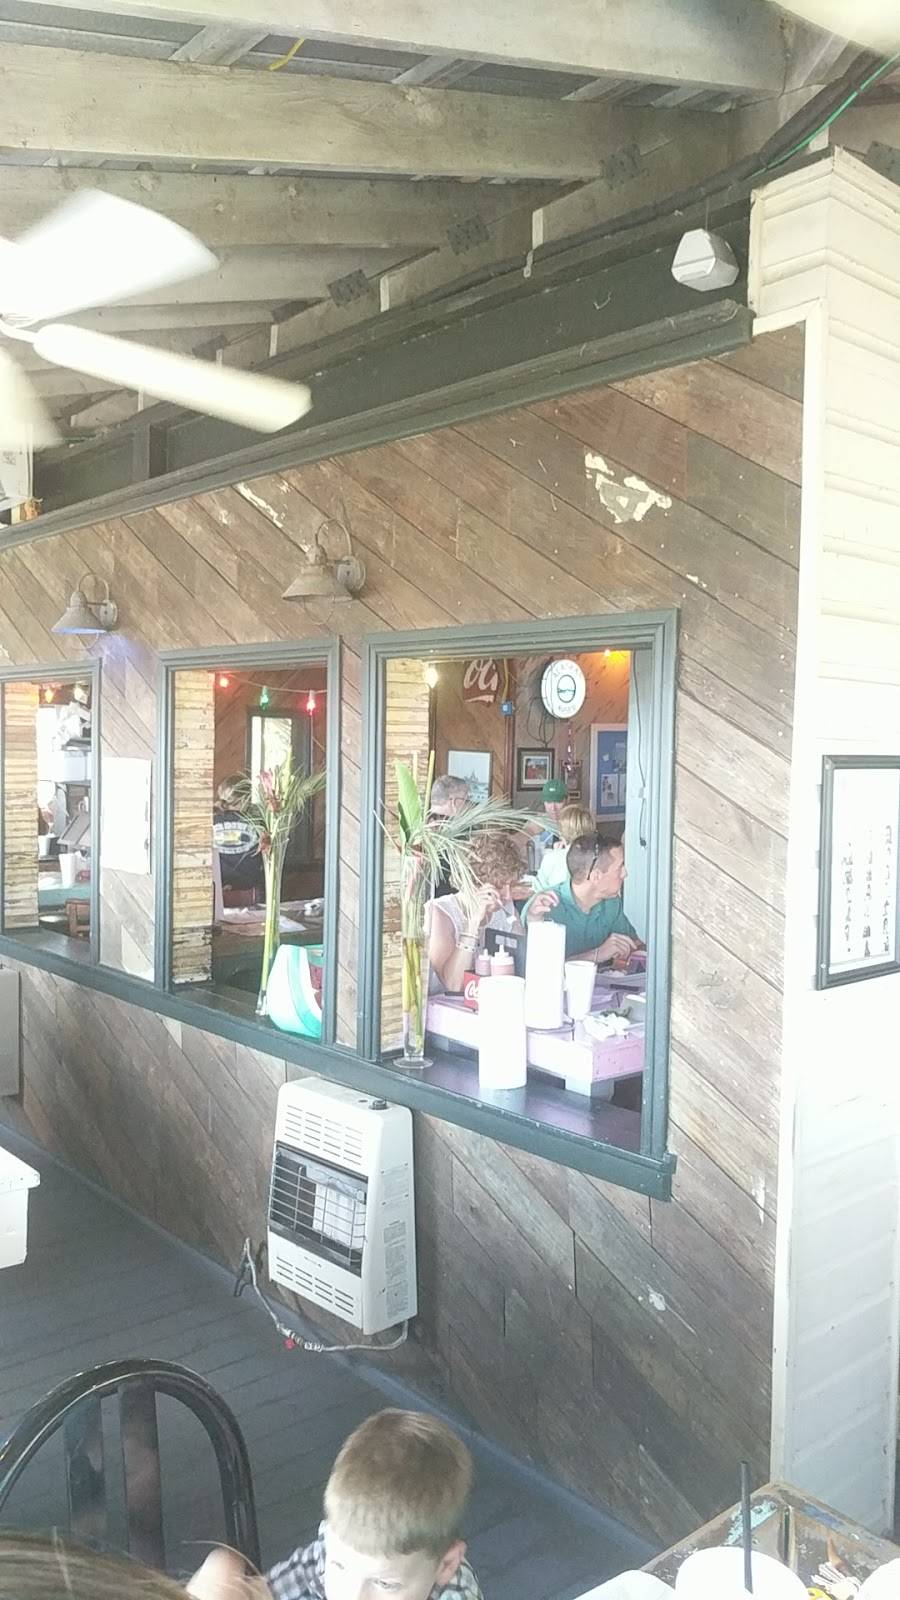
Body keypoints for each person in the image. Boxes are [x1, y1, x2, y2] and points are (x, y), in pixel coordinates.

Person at [197, 1409, 480, 1600]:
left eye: (385, 1584)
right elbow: (267, 1592)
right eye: (340, 1567)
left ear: (446, 1565)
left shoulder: (457, 1594)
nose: (351, 1596)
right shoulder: (331, 1551)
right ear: (327, 1532)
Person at [426, 832, 523, 994]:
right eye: (499, 886)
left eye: (511, 885)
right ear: (475, 883)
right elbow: (454, 984)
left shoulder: (505, 910)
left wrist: (534, 918)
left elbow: (522, 966)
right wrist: (473, 923)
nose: (507, 895)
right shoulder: (439, 913)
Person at [524, 833, 640, 964]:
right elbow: (541, 968)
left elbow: (634, 945)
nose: (625, 873)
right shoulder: (544, 906)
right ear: (596, 876)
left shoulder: (611, 902)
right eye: (620, 868)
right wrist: (597, 954)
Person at [213, 774, 264, 895]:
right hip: (250, 891)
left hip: (217, 890)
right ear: (246, 798)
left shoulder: (210, 821)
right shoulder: (257, 822)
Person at [528, 803, 596, 892]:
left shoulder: (551, 859)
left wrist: (556, 854)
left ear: (562, 831)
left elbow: (538, 891)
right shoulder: (600, 857)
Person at [427, 775, 470, 899]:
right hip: (450, 900)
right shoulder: (460, 833)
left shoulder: (417, 828)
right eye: (466, 799)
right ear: (455, 802)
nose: (468, 805)